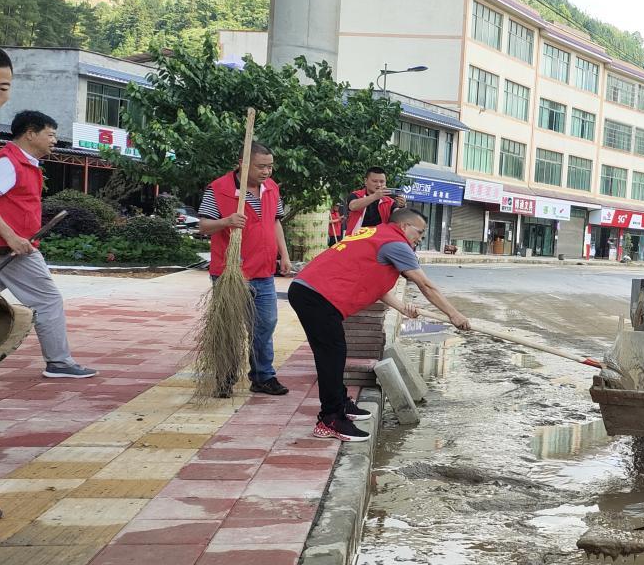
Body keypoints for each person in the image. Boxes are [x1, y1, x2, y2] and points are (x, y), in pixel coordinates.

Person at [290, 208, 470, 441]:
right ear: (404, 227)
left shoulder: (378, 234)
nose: (420, 238)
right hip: (317, 296)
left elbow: (377, 284)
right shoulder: (397, 244)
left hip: (309, 291)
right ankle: (331, 419)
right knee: (331, 355)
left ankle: (341, 404)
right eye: (420, 232)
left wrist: (402, 308)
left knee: (334, 352)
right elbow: (426, 285)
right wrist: (454, 315)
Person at [0, 107, 98, 378]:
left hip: (14, 248)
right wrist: (11, 236)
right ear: (30, 134)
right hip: (13, 250)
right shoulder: (8, 162)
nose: (55, 140)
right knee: (48, 300)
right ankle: (59, 362)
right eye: (50, 134)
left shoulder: (27, 164)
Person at [197, 143, 292, 396]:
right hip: (231, 272)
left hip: (263, 271)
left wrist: (284, 254)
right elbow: (204, 226)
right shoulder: (218, 188)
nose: (267, 172)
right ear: (243, 163)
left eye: (270, 166)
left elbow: (275, 223)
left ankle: (262, 376)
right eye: (261, 166)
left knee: (265, 324)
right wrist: (227, 221)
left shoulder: (271, 188)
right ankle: (224, 378)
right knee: (228, 326)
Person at [345, 166, 405, 236]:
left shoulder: (389, 201)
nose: (379, 185)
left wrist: (402, 206)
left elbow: (398, 216)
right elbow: (353, 206)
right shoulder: (356, 195)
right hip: (355, 239)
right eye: (375, 181)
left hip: (379, 241)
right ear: (366, 181)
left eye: (382, 182)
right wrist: (375, 196)